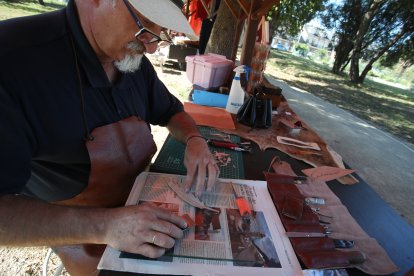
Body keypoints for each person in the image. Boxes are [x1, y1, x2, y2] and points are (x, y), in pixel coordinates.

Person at [0, 0, 219, 274]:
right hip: (79, 232)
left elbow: (172, 112)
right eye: (145, 25)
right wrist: (107, 225)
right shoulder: (10, 60)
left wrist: (194, 140)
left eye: (159, 33)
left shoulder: (132, 60)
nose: (151, 47)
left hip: (141, 204)